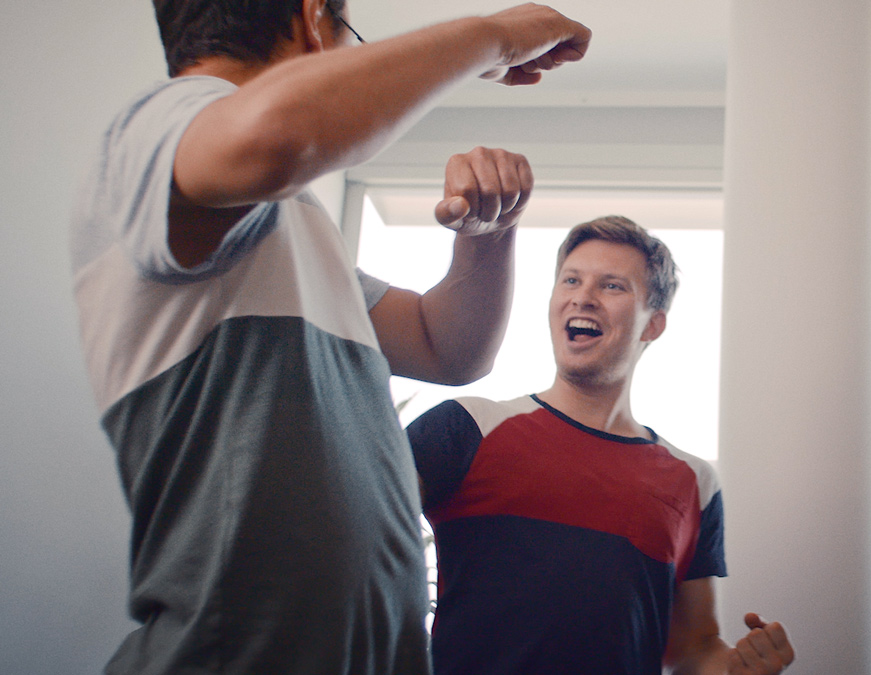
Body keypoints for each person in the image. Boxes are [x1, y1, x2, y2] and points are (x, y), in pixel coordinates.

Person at [68, 1, 590, 673]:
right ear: (316, 20)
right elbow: (276, 131)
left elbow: (449, 348)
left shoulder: (290, 225)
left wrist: (487, 240)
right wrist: (495, 37)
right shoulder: (153, 129)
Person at [406, 216, 796, 674]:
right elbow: (350, 538)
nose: (583, 296)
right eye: (571, 280)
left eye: (612, 286)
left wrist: (736, 668)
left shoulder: (696, 483)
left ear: (653, 325)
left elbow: (694, 648)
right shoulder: (466, 427)